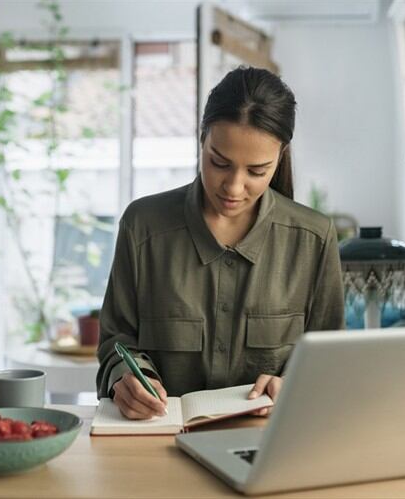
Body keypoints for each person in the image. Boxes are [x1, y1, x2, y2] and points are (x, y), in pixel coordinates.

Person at [95, 66, 344, 420]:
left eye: (257, 171)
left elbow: (330, 360)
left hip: (269, 443)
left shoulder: (313, 239)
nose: (233, 187)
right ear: (202, 140)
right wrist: (129, 378)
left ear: (281, 156)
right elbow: (115, 341)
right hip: (158, 441)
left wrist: (295, 383)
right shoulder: (143, 226)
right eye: (219, 163)